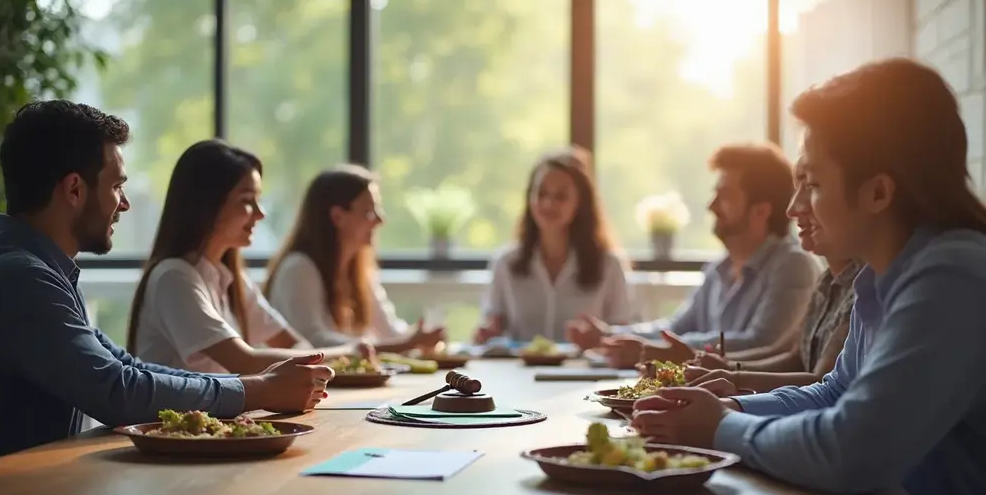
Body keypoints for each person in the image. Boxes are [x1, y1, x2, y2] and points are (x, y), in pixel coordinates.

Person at [630, 58, 986, 495]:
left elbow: (852, 450)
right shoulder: (883, 275)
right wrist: (728, 407)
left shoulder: (951, 275)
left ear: (879, 191)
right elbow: (836, 390)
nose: (796, 206)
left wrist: (719, 427)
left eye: (813, 184)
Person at [0, 101, 332, 460]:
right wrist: (258, 391)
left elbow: (126, 367)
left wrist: (254, 386)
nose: (125, 204)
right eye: (117, 186)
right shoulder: (20, 277)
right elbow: (117, 392)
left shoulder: (38, 267)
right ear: (74, 189)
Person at [567, 143, 817, 368]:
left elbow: (761, 342)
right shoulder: (718, 269)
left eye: (725, 195)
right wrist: (609, 335)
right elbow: (675, 329)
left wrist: (661, 352)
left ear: (761, 211)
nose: (711, 205)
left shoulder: (793, 265)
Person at [128, 140, 369, 374]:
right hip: (174, 416)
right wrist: (346, 352)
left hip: (222, 414)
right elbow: (244, 361)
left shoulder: (230, 279)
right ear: (206, 205)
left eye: (258, 200)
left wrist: (326, 361)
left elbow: (291, 343)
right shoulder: (174, 278)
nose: (260, 214)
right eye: (246, 201)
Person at [682, 160, 861, 394]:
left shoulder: (859, 283)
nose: (792, 209)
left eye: (812, 186)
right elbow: (797, 358)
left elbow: (821, 383)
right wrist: (727, 370)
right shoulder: (827, 280)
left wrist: (731, 387)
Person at [264, 164, 445, 353]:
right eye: (369, 212)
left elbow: (390, 331)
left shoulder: (359, 271)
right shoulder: (298, 269)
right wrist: (407, 342)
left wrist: (422, 336)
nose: (380, 220)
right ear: (337, 217)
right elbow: (312, 341)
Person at [473, 147, 632, 343]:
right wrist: (486, 334)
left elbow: (623, 335)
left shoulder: (609, 265)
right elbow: (492, 327)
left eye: (561, 196)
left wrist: (602, 337)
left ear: (580, 202)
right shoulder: (506, 263)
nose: (548, 204)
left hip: (584, 372)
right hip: (518, 372)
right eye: (541, 194)